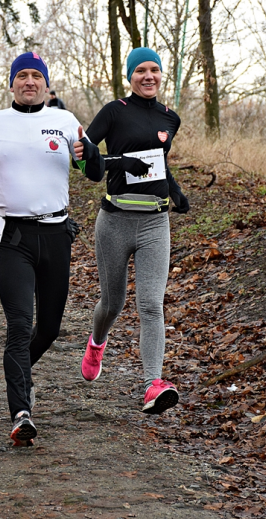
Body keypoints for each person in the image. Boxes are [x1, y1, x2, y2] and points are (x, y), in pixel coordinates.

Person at [0, 52, 104, 446]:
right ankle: (21, 411)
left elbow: (95, 173)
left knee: (51, 328)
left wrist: (89, 154)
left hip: (57, 234)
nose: (28, 82)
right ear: (11, 84)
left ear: (45, 84)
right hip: (14, 238)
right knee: (20, 326)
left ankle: (18, 373)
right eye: (21, 76)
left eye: (35, 76)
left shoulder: (64, 121)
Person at [80, 47, 190, 415]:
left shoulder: (169, 118)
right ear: (130, 76)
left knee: (151, 305)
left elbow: (156, 164)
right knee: (112, 304)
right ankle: (97, 341)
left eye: (154, 70)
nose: (148, 76)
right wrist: (100, 158)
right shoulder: (114, 111)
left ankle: (152, 385)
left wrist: (175, 192)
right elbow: (87, 158)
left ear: (161, 75)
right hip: (115, 220)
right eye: (140, 70)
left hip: (156, 222)